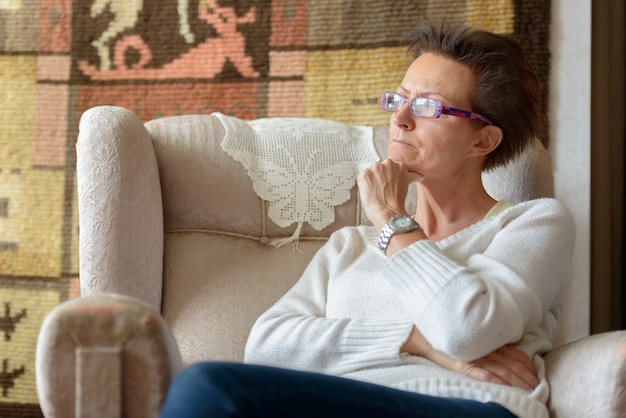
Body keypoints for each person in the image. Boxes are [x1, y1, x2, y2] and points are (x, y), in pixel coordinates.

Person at [160, 20, 574, 418]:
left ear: (482, 140)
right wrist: (414, 341)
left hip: (469, 405)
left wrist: (391, 218)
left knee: (207, 388)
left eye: (428, 107)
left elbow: (466, 330)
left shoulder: (531, 224)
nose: (400, 119)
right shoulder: (349, 246)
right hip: (344, 405)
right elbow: (267, 345)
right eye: (398, 99)